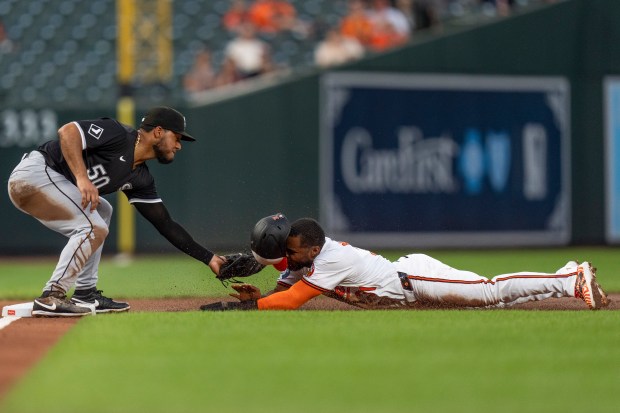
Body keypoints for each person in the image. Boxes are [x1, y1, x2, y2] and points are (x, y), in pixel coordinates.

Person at [8, 107, 227, 317]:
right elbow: (68, 131)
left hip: (49, 184)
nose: (179, 145)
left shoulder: (140, 177)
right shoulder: (120, 134)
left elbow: (165, 224)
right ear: (158, 132)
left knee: (103, 211)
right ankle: (51, 296)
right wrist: (82, 178)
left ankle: (85, 294)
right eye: (177, 137)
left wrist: (210, 259)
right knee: (93, 226)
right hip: (34, 174)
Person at [202, 216, 610, 311]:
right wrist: (260, 295)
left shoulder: (331, 258)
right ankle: (562, 276)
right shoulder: (307, 259)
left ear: (311, 248)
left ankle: (572, 279)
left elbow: (291, 303)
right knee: (494, 302)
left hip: (415, 279)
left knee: (490, 290)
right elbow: (284, 291)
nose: (287, 258)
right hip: (409, 283)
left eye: (293, 251)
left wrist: (242, 309)